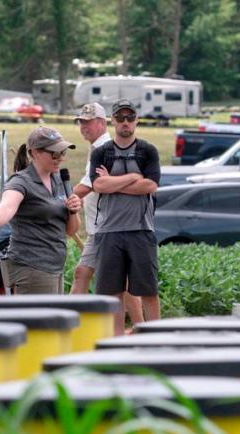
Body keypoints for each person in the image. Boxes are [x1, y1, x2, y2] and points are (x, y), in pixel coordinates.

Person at [89, 100, 162, 336]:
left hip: (141, 229)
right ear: (112, 121)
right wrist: (132, 176)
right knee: (112, 292)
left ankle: (155, 340)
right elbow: (98, 185)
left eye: (130, 118)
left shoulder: (147, 150)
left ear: (137, 120)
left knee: (149, 291)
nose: (125, 123)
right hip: (108, 231)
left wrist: (114, 183)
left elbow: (150, 185)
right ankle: (116, 341)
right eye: (120, 118)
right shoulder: (102, 152)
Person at [0, 126, 82, 294]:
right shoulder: (21, 182)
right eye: (54, 153)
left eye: (63, 152)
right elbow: (6, 206)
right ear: (34, 153)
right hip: (31, 267)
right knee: (37, 320)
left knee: (52, 320)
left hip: (55, 267)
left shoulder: (60, 180)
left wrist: (74, 210)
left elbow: (70, 230)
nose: (60, 158)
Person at [69, 102, 144, 327]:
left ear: (102, 123)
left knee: (116, 283)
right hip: (98, 229)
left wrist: (61, 199)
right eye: (81, 122)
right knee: (82, 274)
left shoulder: (106, 150)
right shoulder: (97, 149)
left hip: (110, 229)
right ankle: (70, 325)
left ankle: (137, 328)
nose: (84, 127)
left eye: (88, 122)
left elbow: (89, 185)